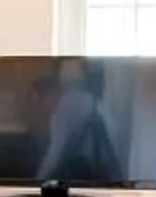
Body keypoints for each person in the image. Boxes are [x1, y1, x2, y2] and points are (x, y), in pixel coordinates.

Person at [30, 59, 122, 187]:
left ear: (49, 94)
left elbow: (55, 153)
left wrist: (36, 181)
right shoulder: (77, 98)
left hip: (99, 160)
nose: (42, 109)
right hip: (110, 155)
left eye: (40, 102)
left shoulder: (62, 110)